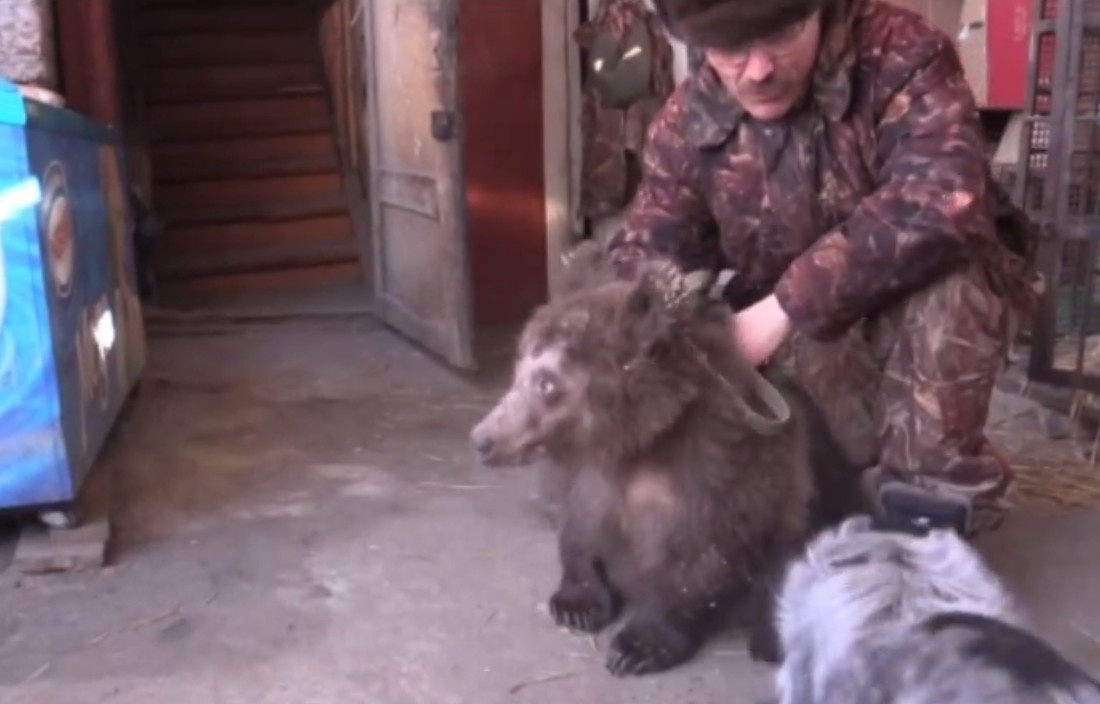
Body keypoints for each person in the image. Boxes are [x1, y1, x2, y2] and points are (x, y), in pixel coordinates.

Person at [604, 0, 1041, 535]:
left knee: (954, 282)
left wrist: (784, 307)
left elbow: (943, 195)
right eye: (732, 48)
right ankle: (863, 463)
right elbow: (648, 257)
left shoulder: (901, 53)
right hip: (805, 347)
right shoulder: (684, 122)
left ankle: (930, 506)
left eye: (783, 34)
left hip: (914, 316)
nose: (759, 69)